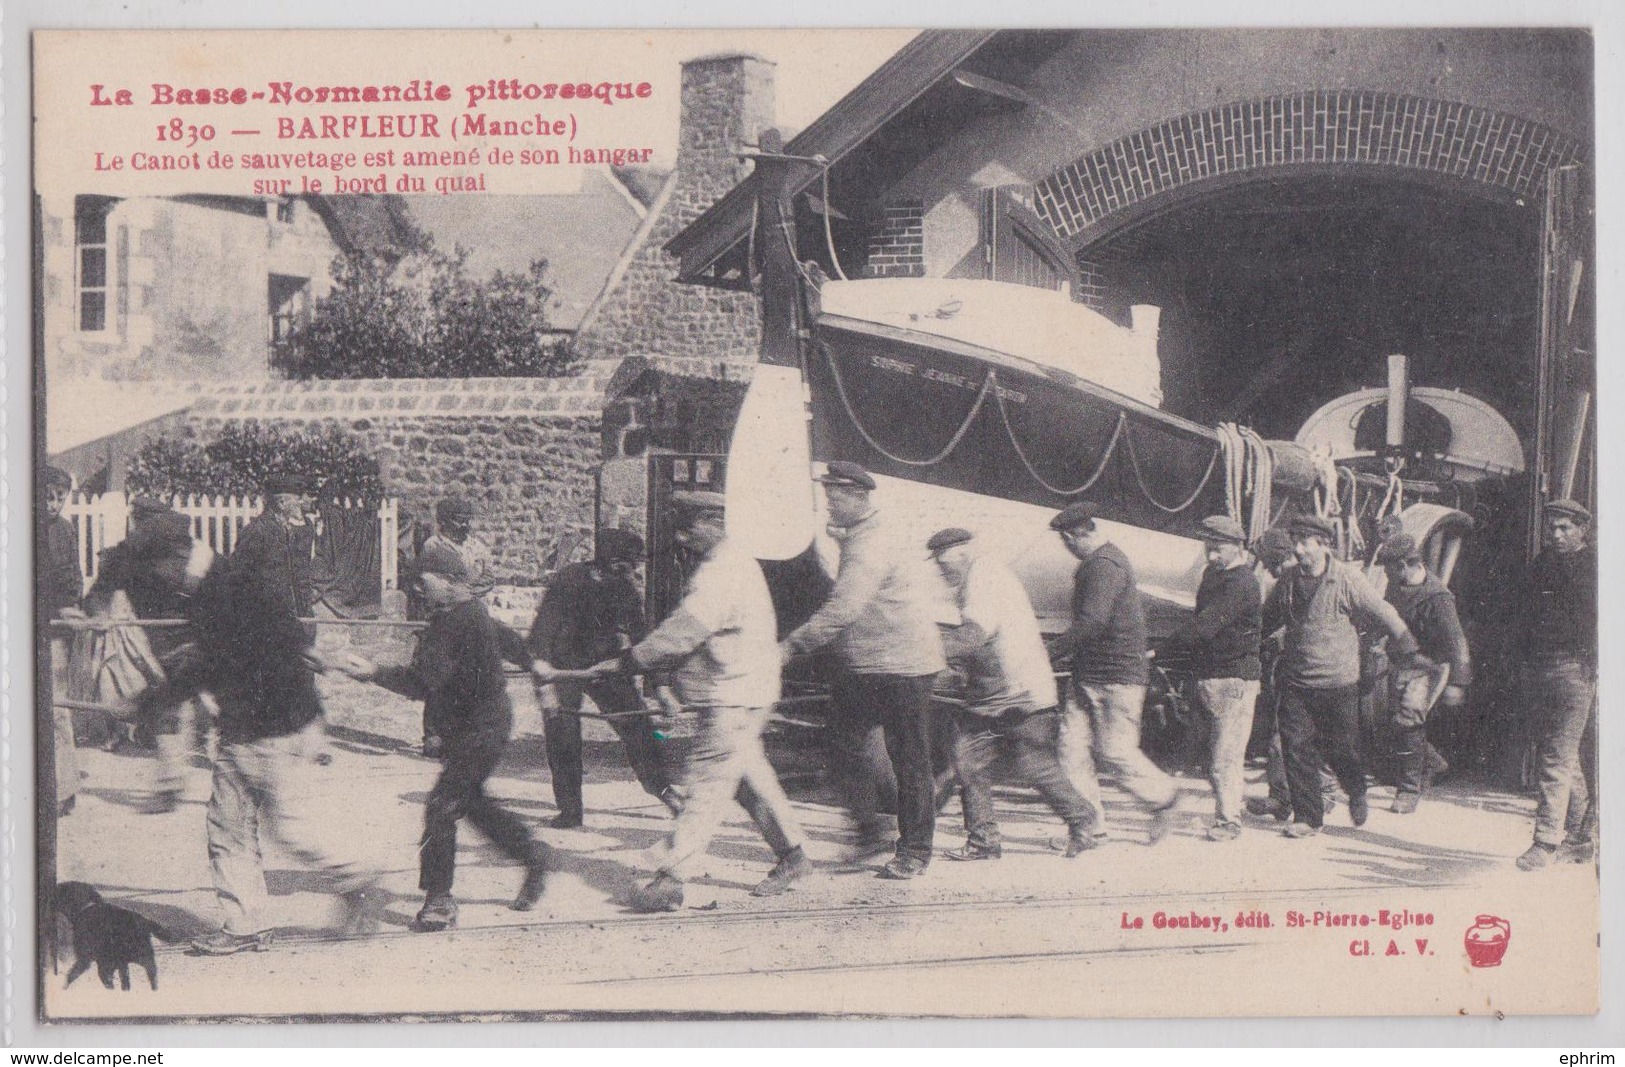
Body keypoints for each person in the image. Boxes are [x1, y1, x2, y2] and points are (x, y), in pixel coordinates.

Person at [175, 473, 387, 955]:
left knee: (281, 824)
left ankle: (357, 880)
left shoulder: (271, 548)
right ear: (277, 498)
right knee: (238, 822)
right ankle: (249, 920)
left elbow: (282, 600)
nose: (304, 499)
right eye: (296, 493)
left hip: (262, 720)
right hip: (262, 710)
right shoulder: (261, 537)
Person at [573, 492, 810, 912]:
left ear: (713, 521)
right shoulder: (731, 563)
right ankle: (793, 855)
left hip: (733, 695)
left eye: (689, 526)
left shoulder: (722, 572)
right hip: (745, 691)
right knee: (747, 776)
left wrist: (629, 661)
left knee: (706, 785)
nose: (682, 537)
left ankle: (670, 876)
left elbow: (684, 632)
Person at [342, 544, 552, 931]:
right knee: (470, 805)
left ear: (450, 582)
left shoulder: (456, 620)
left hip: (482, 729)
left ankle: (439, 899)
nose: (417, 590)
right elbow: (503, 636)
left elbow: (422, 682)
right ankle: (533, 854)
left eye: (423, 582)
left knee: (442, 806)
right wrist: (533, 662)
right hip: (472, 726)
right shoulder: (468, 612)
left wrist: (372, 672)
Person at [780, 462, 947, 880]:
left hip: (903, 666)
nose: (829, 506)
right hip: (871, 664)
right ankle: (872, 832)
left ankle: (913, 850)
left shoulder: (871, 543)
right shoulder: (864, 533)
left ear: (858, 496)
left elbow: (845, 607)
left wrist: (790, 646)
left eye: (835, 498)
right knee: (845, 744)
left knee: (909, 758)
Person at [927, 528, 1103, 860]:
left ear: (958, 553)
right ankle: (985, 840)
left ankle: (1080, 820)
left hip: (1016, 692)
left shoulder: (982, 578)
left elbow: (974, 635)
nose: (940, 568)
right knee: (971, 762)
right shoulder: (983, 575)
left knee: (1030, 765)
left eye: (941, 559)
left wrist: (926, 650)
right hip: (1005, 691)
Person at [1263, 514, 1419, 838]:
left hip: (1338, 684)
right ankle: (1308, 818)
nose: (1299, 549)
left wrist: (1406, 645)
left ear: (1324, 545)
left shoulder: (1347, 579)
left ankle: (1356, 790)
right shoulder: (1288, 581)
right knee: (1295, 748)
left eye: (1305, 542)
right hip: (1297, 681)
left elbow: (1384, 612)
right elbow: (1267, 620)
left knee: (1342, 750)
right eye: (1296, 542)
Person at [527, 527, 682, 827]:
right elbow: (543, 629)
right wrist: (543, 674)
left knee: (637, 726)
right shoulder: (569, 580)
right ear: (608, 559)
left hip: (605, 667)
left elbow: (643, 639)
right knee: (562, 734)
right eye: (627, 562)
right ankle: (570, 810)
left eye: (635, 563)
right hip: (564, 667)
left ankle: (664, 791)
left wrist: (661, 685)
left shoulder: (624, 588)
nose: (633, 569)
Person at [1048, 502, 1179, 844]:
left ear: (1072, 537)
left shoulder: (1103, 566)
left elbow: (1092, 622)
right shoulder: (1100, 563)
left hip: (1117, 676)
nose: (1068, 548)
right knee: (1070, 750)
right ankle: (1089, 826)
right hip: (1090, 674)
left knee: (1115, 752)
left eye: (1067, 541)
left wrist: (1047, 652)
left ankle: (1164, 798)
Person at [87, 496, 215, 813]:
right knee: (173, 709)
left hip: (193, 641)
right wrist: (99, 613)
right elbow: (99, 596)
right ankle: (172, 782)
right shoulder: (141, 555)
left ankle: (180, 782)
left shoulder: (191, 554)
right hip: (170, 645)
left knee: (185, 707)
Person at [1167, 516, 1262, 842]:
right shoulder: (1213, 574)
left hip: (1234, 680)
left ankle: (1229, 821)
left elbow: (1205, 626)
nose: (1210, 556)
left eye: (1217, 549)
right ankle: (1232, 805)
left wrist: (1161, 651)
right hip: (1210, 676)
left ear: (1238, 546)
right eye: (1207, 548)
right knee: (1213, 757)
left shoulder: (1243, 583)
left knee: (1225, 758)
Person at [1515, 499, 1597, 871]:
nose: (1557, 534)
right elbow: (1524, 616)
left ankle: (1545, 842)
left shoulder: (1596, 568)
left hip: (1574, 670)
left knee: (1556, 758)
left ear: (1583, 530)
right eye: (1552, 528)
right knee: (1561, 753)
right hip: (1540, 668)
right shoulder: (1541, 565)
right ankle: (1580, 838)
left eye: (1565, 528)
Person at [1375, 534, 1470, 814]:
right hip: (1404, 663)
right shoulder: (1397, 585)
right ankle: (1433, 763)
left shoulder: (1438, 599)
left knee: (1408, 719)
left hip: (1430, 666)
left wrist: (1458, 683)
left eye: (1389, 567)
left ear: (1405, 564)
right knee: (1396, 723)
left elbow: (1457, 642)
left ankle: (1408, 789)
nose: (1385, 573)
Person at [418, 496, 495, 756]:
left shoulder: (477, 547)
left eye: (467, 521)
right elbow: (432, 585)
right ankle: (434, 734)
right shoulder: (433, 546)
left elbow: (489, 578)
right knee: (439, 676)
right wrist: (456, 593)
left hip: (473, 620)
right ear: (444, 522)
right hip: (444, 620)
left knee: (471, 675)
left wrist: (467, 592)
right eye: (458, 521)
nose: (465, 526)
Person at [41, 466, 84, 817]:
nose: (54, 505)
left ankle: (64, 789)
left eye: (60, 498)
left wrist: (69, 606)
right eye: (48, 497)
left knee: (57, 712)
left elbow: (73, 579)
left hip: (53, 634)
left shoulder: (66, 531)